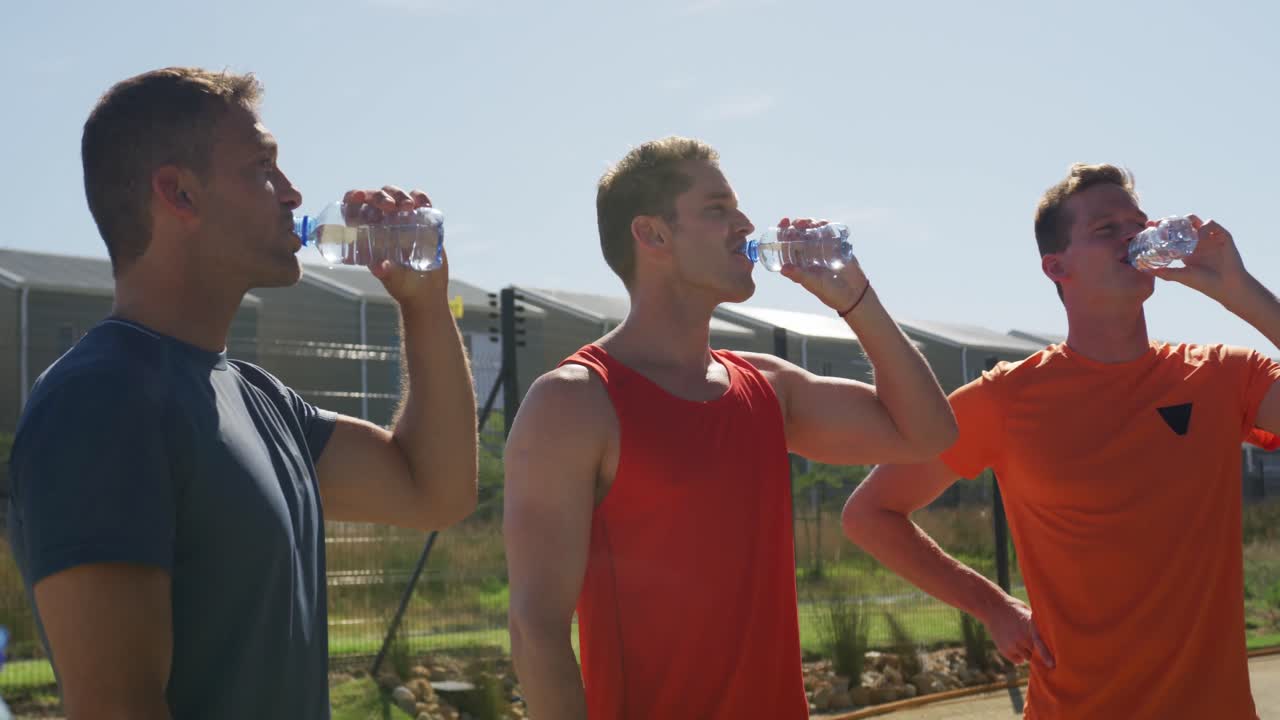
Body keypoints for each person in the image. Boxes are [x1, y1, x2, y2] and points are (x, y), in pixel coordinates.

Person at [6, 67, 479, 720]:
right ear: (180, 194)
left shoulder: (259, 399)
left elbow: (435, 491)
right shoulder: (102, 402)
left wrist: (425, 304)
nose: (294, 194)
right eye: (263, 168)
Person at [503, 136, 958, 719]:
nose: (745, 223)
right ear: (653, 235)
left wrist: (856, 300)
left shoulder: (766, 387)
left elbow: (928, 434)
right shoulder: (574, 402)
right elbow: (535, 628)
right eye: (717, 209)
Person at [843, 163, 1280, 719]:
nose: (1132, 235)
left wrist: (1242, 292)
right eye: (1106, 229)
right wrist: (994, 606)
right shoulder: (1006, 398)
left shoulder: (1221, 376)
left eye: (1138, 222)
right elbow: (870, 514)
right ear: (1057, 267)